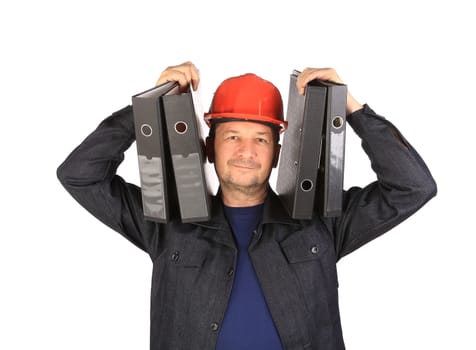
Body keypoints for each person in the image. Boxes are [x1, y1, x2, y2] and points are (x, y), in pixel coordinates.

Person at [57, 61, 437, 350]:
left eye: (260, 139)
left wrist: (350, 107)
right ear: (207, 148)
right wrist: (151, 105)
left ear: (277, 154)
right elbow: (80, 175)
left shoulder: (321, 223)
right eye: (232, 136)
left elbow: (412, 186)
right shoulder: (167, 225)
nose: (246, 152)